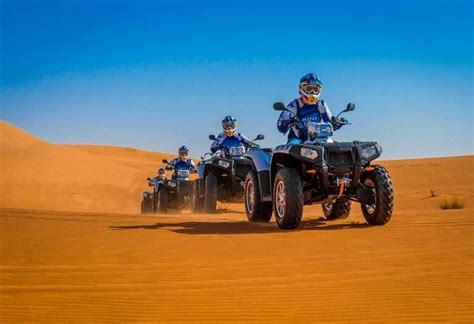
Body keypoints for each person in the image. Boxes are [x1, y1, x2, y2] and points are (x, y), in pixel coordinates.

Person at [277, 73, 346, 144]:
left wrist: (337, 122)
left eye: (315, 89)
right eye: (309, 89)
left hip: (319, 139)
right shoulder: (294, 105)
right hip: (298, 139)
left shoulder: (321, 104)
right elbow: (281, 127)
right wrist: (287, 122)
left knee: (335, 147)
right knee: (292, 147)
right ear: (302, 88)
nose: (312, 92)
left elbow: (330, 123)